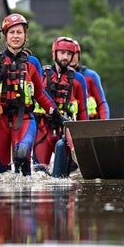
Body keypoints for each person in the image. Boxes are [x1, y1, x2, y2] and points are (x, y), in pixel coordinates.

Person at [0, 13, 58, 176]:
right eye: (12, 32)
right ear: (5, 35)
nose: (16, 36)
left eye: (19, 32)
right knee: (1, 176)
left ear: (25, 35)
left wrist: (56, 113)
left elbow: (39, 94)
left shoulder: (32, 63)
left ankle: (25, 199)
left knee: (22, 155)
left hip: (24, 119)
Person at [32, 36, 88, 170]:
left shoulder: (78, 79)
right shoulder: (41, 74)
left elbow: (83, 112)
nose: (65, 57)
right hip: (43, 129)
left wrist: (83, 137)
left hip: (65, 131)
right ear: (54, 53)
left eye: (69, 54)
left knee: (66, 173)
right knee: (40, 171)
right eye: (62, 53)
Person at [70, 40, 110, 120]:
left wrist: (105, 124)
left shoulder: (91, 76)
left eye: (76, 53)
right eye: (70, 54)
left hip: (90, 125)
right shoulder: (56, 77)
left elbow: (102, 103)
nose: (73, 57)